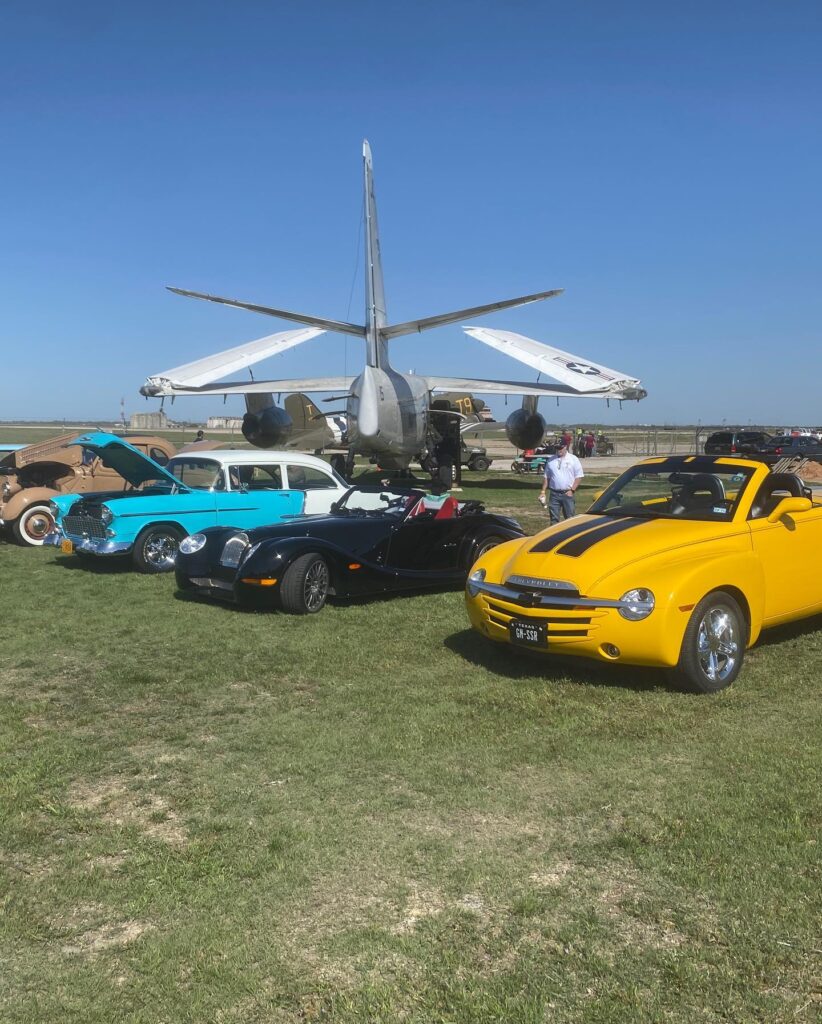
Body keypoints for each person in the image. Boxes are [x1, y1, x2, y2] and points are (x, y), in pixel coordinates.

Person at [539, 440, 584, 525]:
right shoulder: (551, 460)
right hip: (554, 494)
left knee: (570, 519)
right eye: (557, 448)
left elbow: (579, 476)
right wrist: (543, 491)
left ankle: (570, 536)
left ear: (565, 447)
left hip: (567, 493)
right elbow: (546, 477)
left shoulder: (573, 459)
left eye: (560, 448)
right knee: (554, 519)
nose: (558, 450)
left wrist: (572, 490)